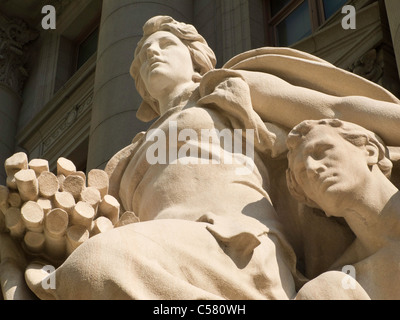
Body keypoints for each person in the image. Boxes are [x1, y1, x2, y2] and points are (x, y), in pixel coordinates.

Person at [16, 15, 400, 300]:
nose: (152, 52)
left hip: (235, 245)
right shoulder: (124, 158)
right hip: (165, 253)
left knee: (97, 266)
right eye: (143, 54)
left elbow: (336, 108)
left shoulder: (228, 90)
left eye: (166, 45)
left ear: (196, 57)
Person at [286, 119, 400, 299]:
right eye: (301, 173)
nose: (311, 169)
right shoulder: (335, 287)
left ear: (370, 151)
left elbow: (337, 108)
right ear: (315, 203)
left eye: (321, 152)